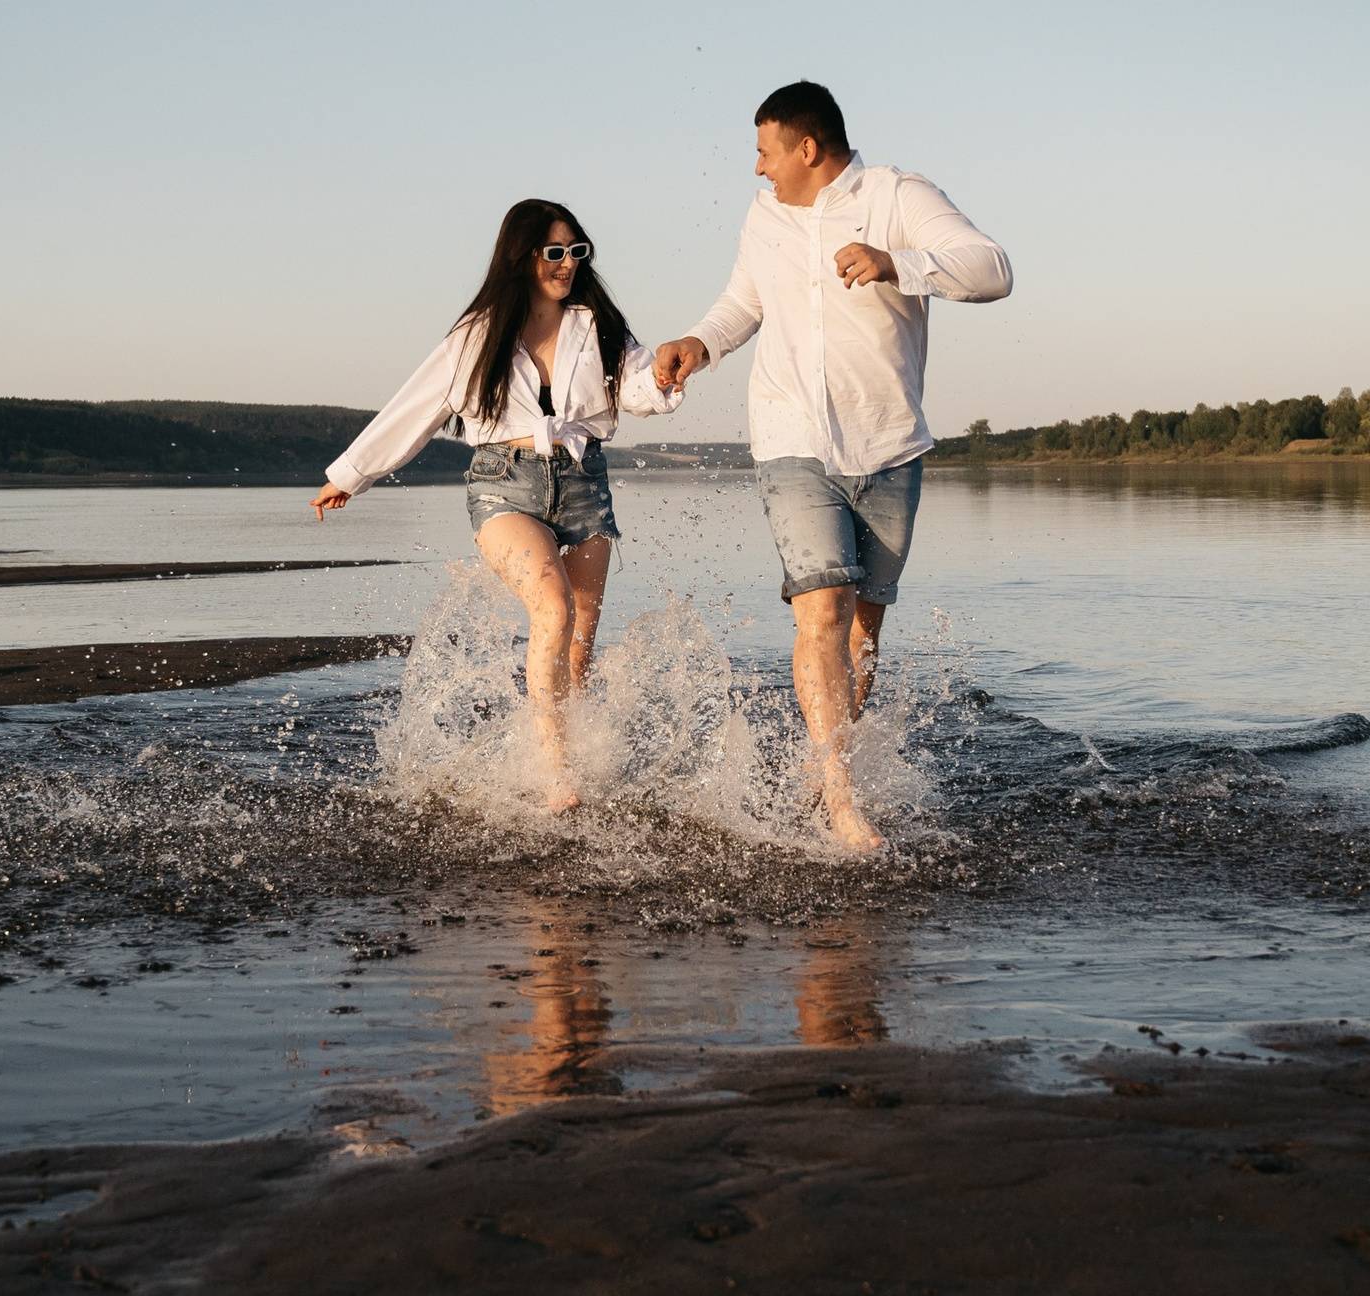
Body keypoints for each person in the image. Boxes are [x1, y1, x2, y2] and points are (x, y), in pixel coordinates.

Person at [651, 82, 1011, 852]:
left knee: (863, 630)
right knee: (823, 606)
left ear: (806, 149)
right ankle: (842, 799)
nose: (758, 168)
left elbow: (991, 269)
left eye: (764, 150)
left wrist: (897, 262)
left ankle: (826, 774)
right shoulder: (764, 218)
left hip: (888, 443)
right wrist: (699, 344)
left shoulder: (896, 196)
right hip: (790, 437)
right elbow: (743, 302)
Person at [315, 199, 681, 811]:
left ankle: (580, 761)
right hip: (503, 483)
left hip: (585, 483)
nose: (567, 265)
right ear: (523, 257)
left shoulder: (599, 326)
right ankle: (555, 774)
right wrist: (352, 474)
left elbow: (639, 386)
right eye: (554, 253)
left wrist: (667, 374)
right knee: (553, 610)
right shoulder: (478, 334)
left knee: (580, 647)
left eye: (576, 252)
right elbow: (419, 406)